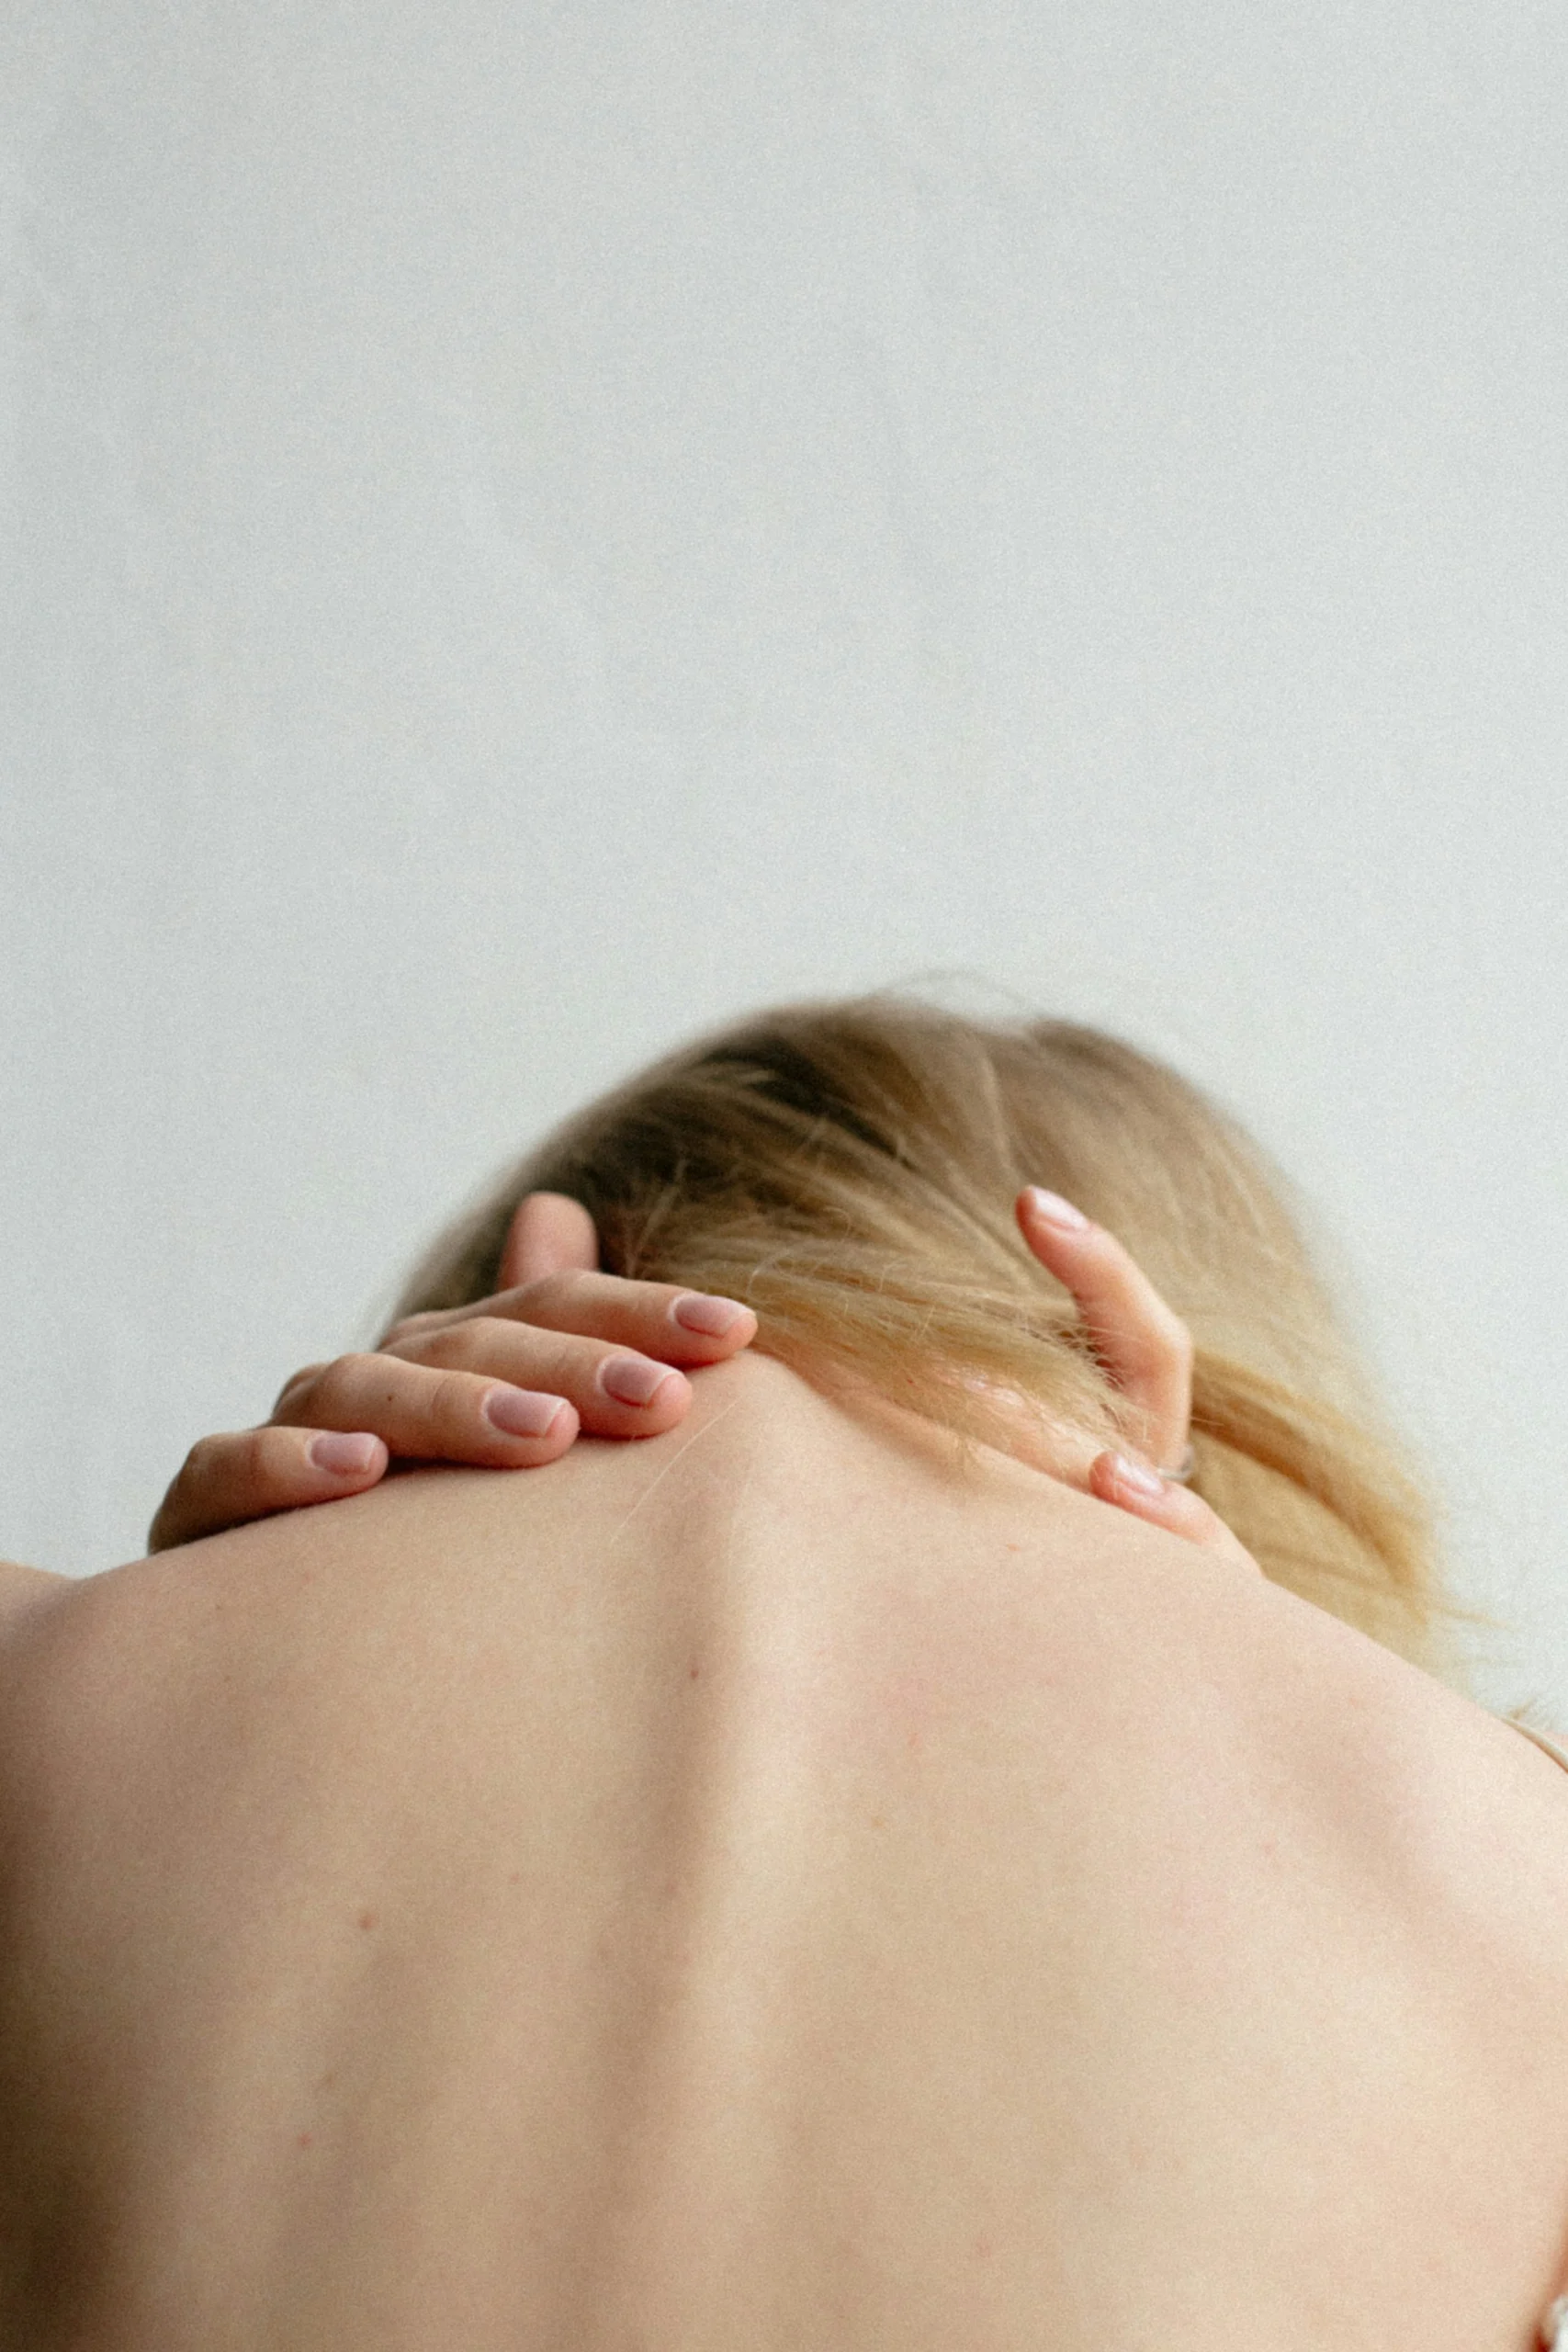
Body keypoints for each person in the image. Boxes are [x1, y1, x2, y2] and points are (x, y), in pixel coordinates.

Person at [3, 995, 1567, 2348]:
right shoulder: (1508, 1859)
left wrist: (160, 1630)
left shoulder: (49, 1681)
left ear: (500, 1301)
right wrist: (1285, 1685)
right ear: (1209, 1412)